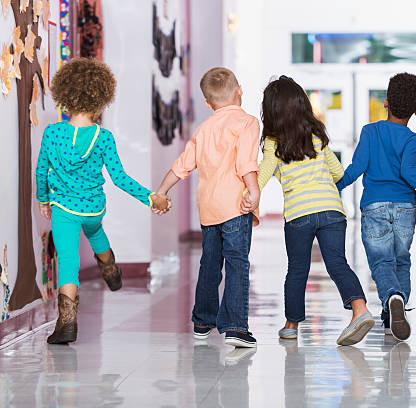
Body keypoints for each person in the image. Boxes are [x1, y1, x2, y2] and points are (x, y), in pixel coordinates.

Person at [37, 58, 170, 344]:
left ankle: (67, 323)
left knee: (69, 262)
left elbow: (41, 171)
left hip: (63, 210)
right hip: (93, 208)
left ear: (65, 96)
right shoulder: (103, 137)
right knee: (96, 231)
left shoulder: (52, 133)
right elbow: (120, 178)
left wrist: (43, 200)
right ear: (101, 99)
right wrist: (151, 197)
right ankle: (110, 268)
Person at [241, 76, 374, 346]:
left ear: (272, 110)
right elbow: (337, 172)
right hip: (331, 210)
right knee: (337, 262)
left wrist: (246, 196)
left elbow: (262, 175)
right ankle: (360, 310)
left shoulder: (273, 143)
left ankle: (291, 325)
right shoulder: (317, 136)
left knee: (297, 269)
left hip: (299, 213)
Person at [156, 67, 260, 348]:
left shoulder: (203, 129)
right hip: (236, 207)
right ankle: (237, 327)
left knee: (210, 264)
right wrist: (254, 190)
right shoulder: (247, 123)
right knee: (237, 263)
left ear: (207, 103)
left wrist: (162, 191)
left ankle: (202, 321)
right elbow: (246, 163)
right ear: (239, 89)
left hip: (209, 208)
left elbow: (182, 166)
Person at [335, 73, 416, 341]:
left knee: (381, 261)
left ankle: (392, 297)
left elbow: (356, 169)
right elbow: (410, 174)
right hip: (405, 209)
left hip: (374, 206)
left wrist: (334, 186)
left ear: (386, 102)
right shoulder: (413, 140)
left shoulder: (370, 131)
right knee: (401, 260)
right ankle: (393, 314)